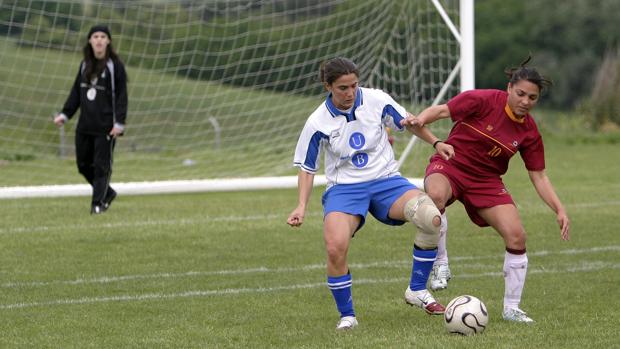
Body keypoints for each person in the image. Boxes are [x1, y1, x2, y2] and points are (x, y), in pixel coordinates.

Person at [402, 56, 570, 323]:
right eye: (521, 94)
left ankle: (512, 308)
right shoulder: (482, 100)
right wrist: (420, 118)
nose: (526, 101)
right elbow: (442, 111)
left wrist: (559, 209)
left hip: (486, 181)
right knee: (434, 198)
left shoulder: (529, 131)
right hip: (451, 164)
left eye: (533, 97)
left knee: (517, 236)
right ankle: (441, 263)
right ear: (509, 88)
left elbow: (538, 176)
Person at [287, 57, 449, 331]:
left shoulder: (376, 99)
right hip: (345, 189)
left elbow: (407, 122)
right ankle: (347, 316)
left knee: (431, 217)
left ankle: (417, 290)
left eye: (354, 85)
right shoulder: (317, 122)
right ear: (328, 86)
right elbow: (307, 168)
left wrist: (436, 142)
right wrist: (301, 206)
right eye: (342, 88)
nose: (350, 92)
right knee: (335, 247)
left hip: (387, 182)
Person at [54, 25, 128, 214]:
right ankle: (108, 193)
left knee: (102, 167)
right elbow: (76, 92)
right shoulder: (84, 64)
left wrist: (119, 123)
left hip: (106, 127)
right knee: (83, 165)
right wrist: (65, 114)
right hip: (85, 126)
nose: (99, 40)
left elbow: (121, 96)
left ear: (108, 41)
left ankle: (97, 204)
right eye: (95, 36)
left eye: (103, 36)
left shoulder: (115, 66)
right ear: (90, 41)